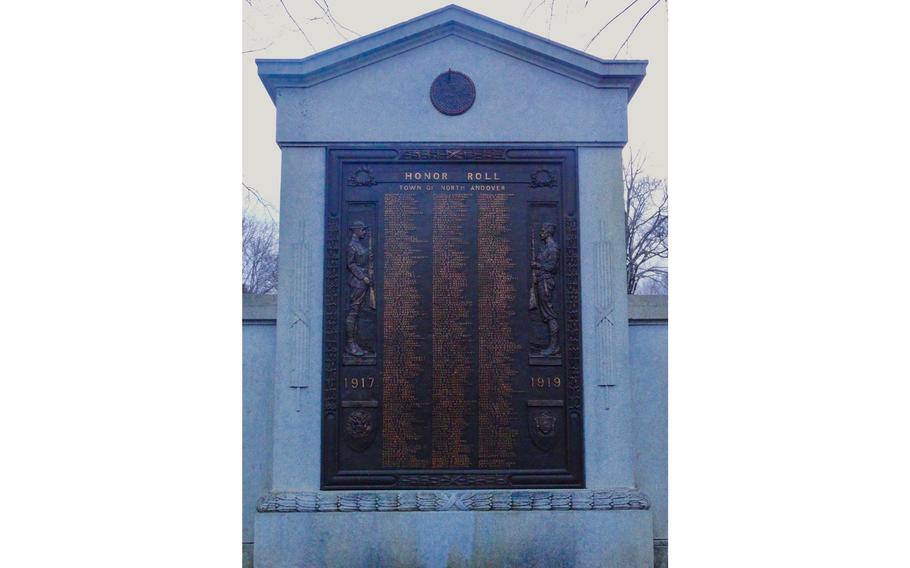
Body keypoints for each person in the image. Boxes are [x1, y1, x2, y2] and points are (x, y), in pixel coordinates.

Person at [530, 222, 560, 357]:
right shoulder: (546, 247)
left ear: (548, 232)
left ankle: (553, 346)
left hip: (546, 282)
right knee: (545, 313)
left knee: (549, 313)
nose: (541, 232)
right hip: (540, 281)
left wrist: (537, 265)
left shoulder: (553, 248)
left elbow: (552, 267)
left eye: (543, 230)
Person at [345, 221, 374, 357]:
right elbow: (351, 264)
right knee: (353, 312)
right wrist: (363, 277)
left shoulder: (359, 245)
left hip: (363, 283)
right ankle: (350, 344)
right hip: (358, 283)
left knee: (358, 314)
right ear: (356, 230)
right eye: (363, 230)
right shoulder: (352, 246)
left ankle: (355, 344)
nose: (364, 232)